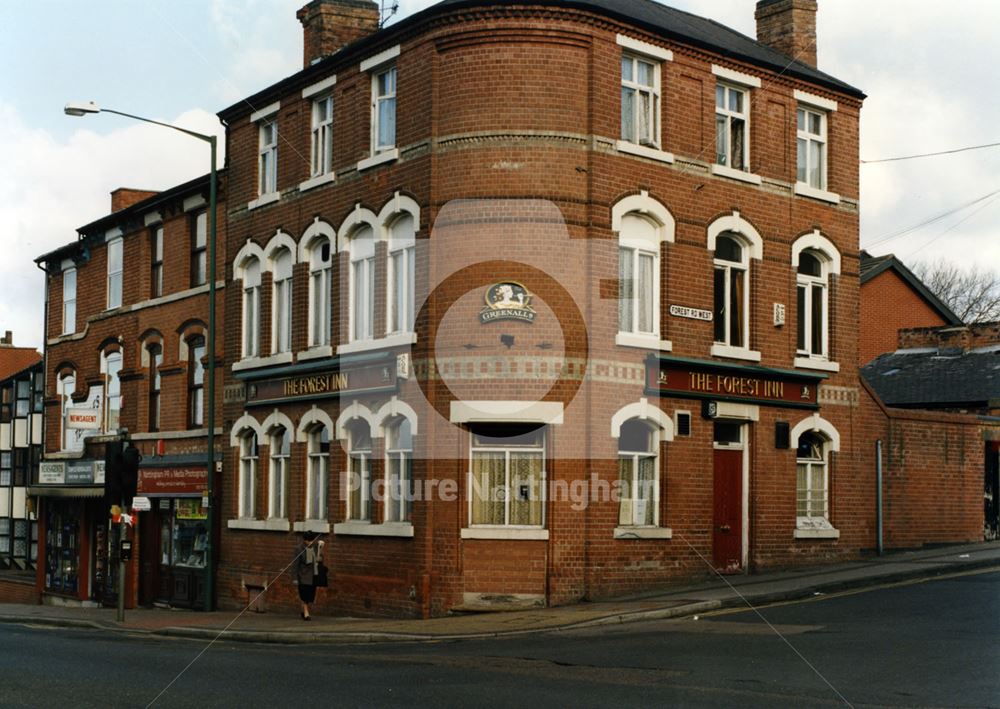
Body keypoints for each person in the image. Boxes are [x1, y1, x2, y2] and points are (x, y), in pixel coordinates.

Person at [294, 531, 325, 620]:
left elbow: (320, 558)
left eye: (311, 540)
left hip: (313, 575)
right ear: (304, 540)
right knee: (304, 594)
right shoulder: (299, 549)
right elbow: (295, 564)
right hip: (303, 575)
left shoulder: (315, 548)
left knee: (311, 595)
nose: (310, 542)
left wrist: (320, 550)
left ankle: (303, 609)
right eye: (308, 541)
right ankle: (306, 613)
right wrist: (295, 578)